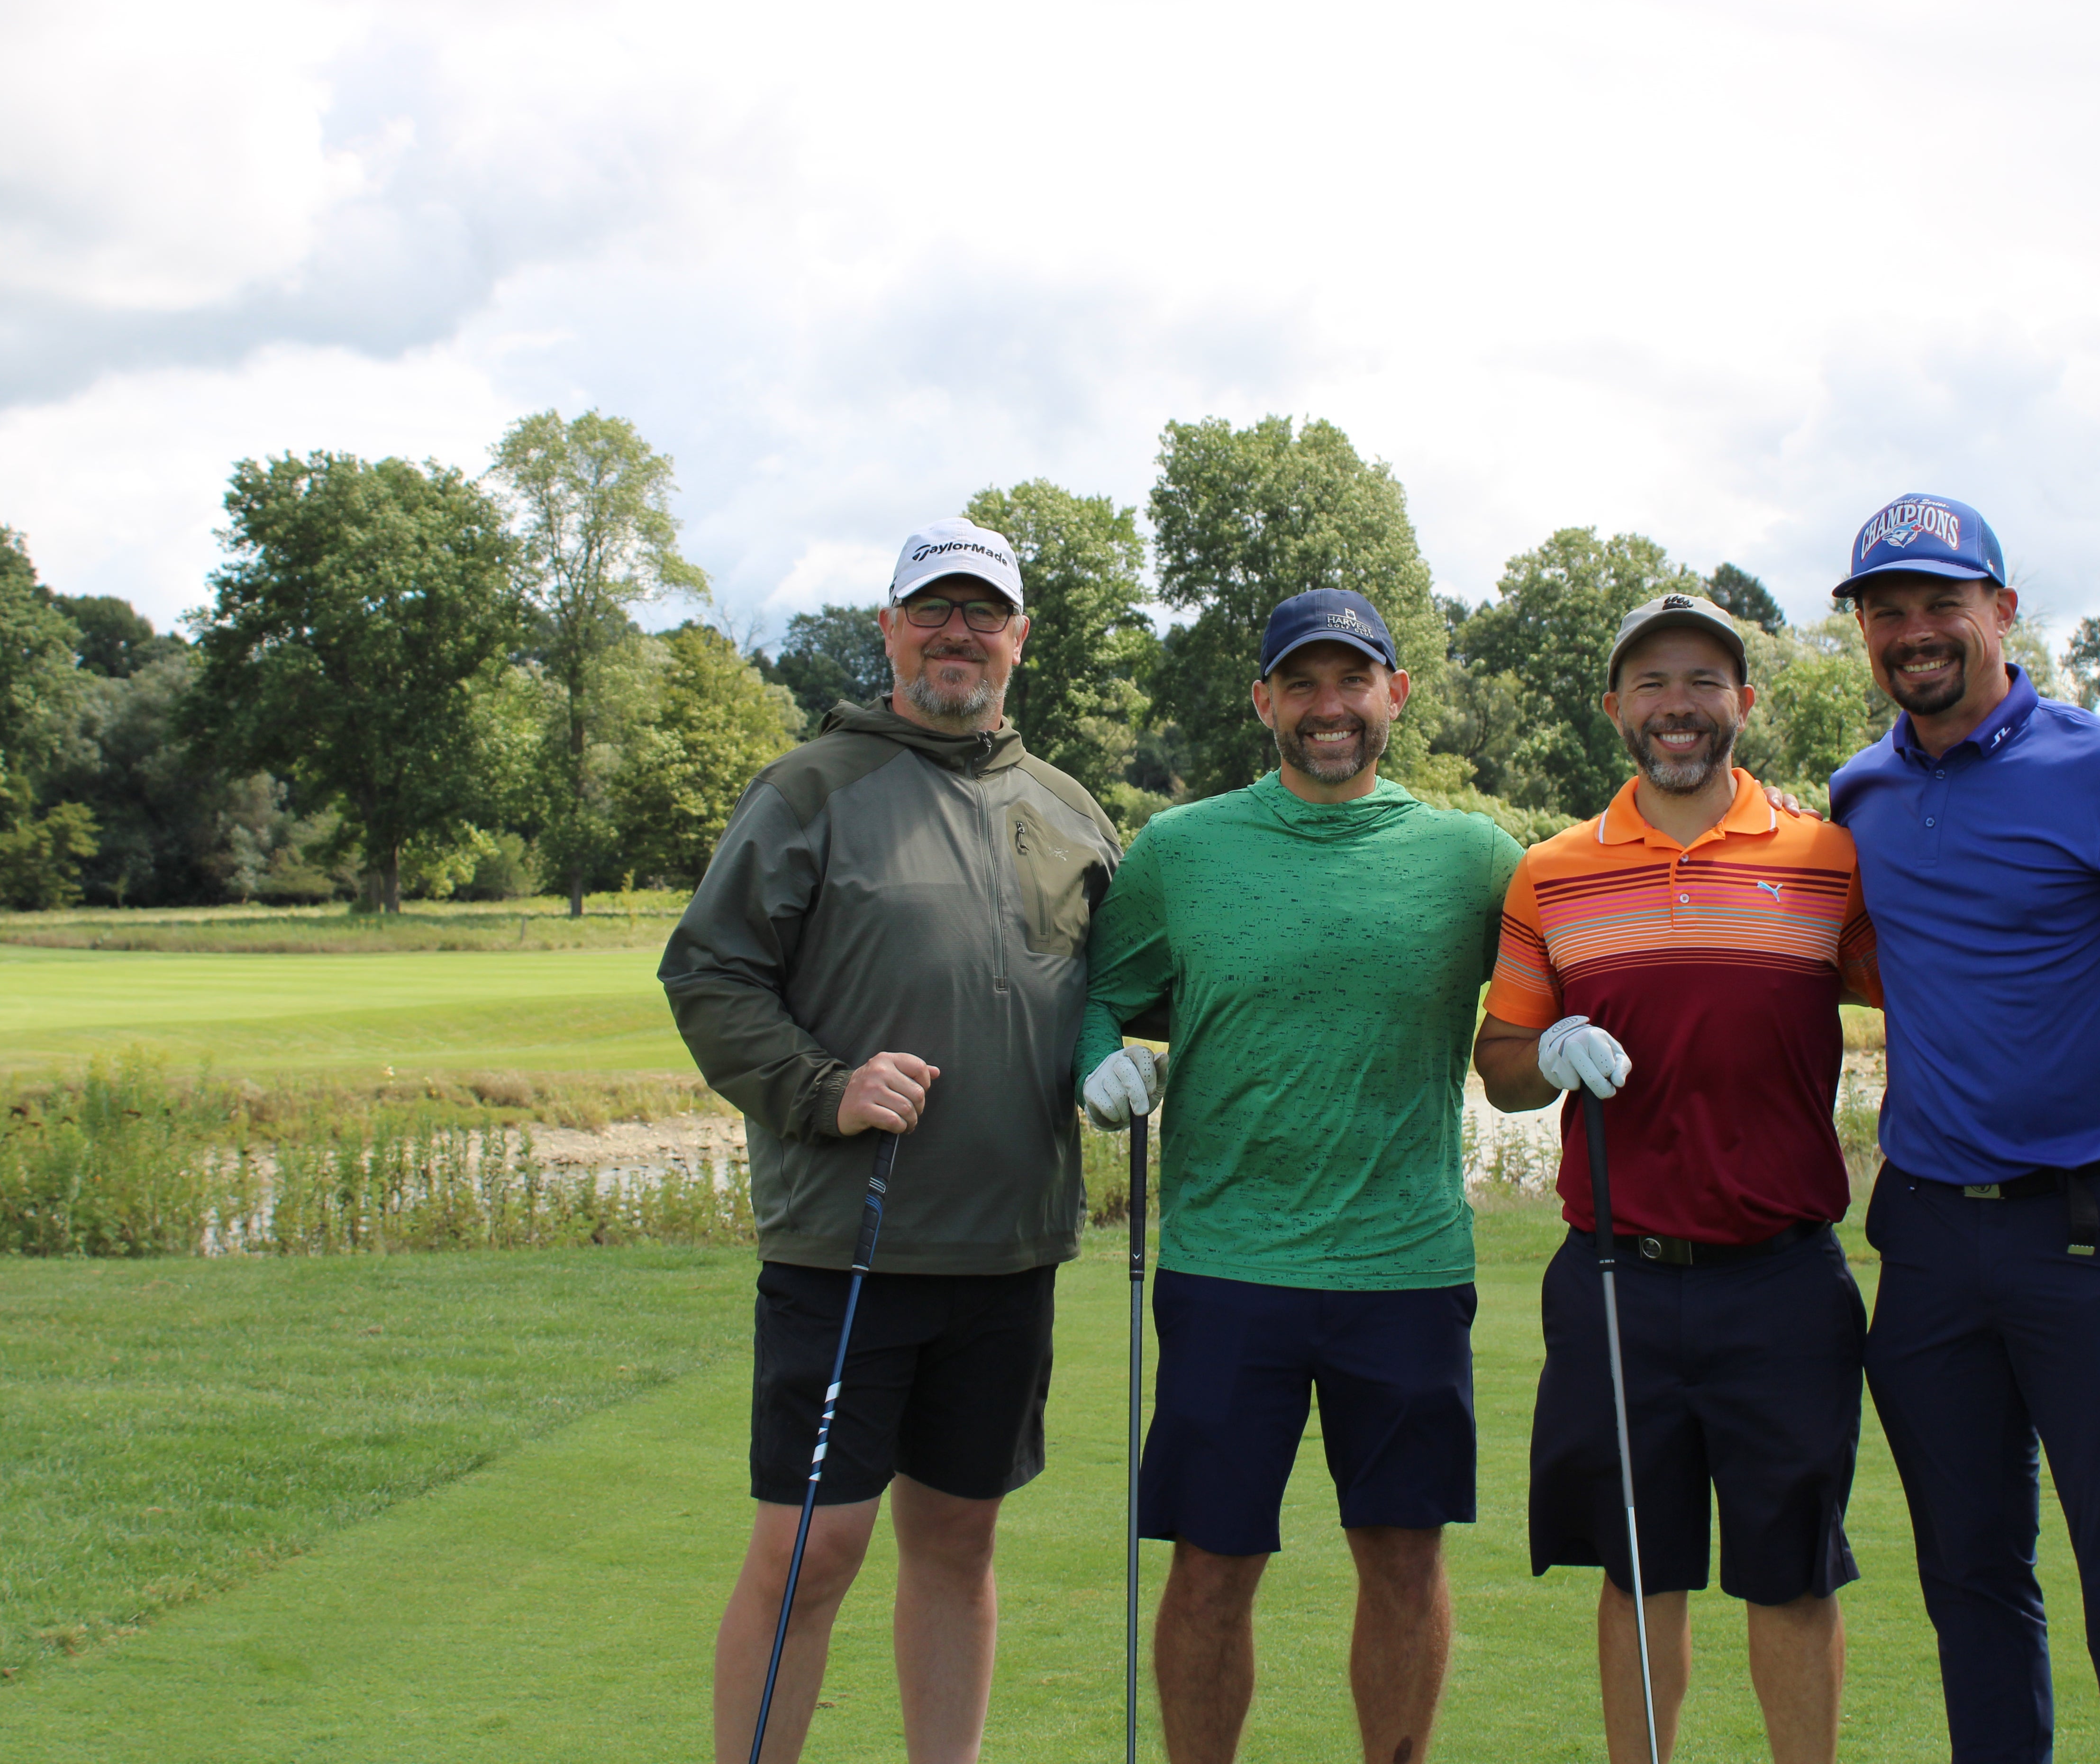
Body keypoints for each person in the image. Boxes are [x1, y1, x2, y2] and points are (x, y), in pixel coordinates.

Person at [661, 517, 1122, 1764]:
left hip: (1009, 1247)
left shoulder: (1069, 810)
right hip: (846, 1248)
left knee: (959, 1544)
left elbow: (1124, 990)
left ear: (1020, 639)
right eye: (933, 610)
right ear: (891, 628)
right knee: (812, 1550)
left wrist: (1125, 1056)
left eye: (984, 613)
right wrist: (825, 1087)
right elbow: (710, 977)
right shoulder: (811, 788)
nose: (957, 633)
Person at [1826, 494, 2100, 1763]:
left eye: (1940, 606)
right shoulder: (1860, 796)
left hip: (2094, 1226)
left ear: (2003, 611)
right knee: (1969, 1579)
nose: (1915, 633)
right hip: (1926, 1239)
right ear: (1864, 632)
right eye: (1887, 611)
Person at [1076, 588, 1522, 1764]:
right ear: (1265, 700)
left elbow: (1572, 942)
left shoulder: (1474, 856)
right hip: (1229, 1266)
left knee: (1405, 1555)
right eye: (1304, 684)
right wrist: (1098, 1065)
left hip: (1408, 1267)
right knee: (1214, 1561)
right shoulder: (1180, 850)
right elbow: (1103, 994)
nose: (1331, 708)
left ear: (1397, 695)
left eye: (1354, 681)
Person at [1474, 589, 1882, 1764]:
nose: (1678, 706)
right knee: (1637, 1563)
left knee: (1792, 1567)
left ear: (1744, 701)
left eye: (1704, 680)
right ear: (1616, 708)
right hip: (1619, 1274)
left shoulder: (1826, 858)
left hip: (1785, 1276)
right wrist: (1542, 1052)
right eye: (1651, 683)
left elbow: (1940, 997)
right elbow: (1500, 1066)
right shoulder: (1553, 872)